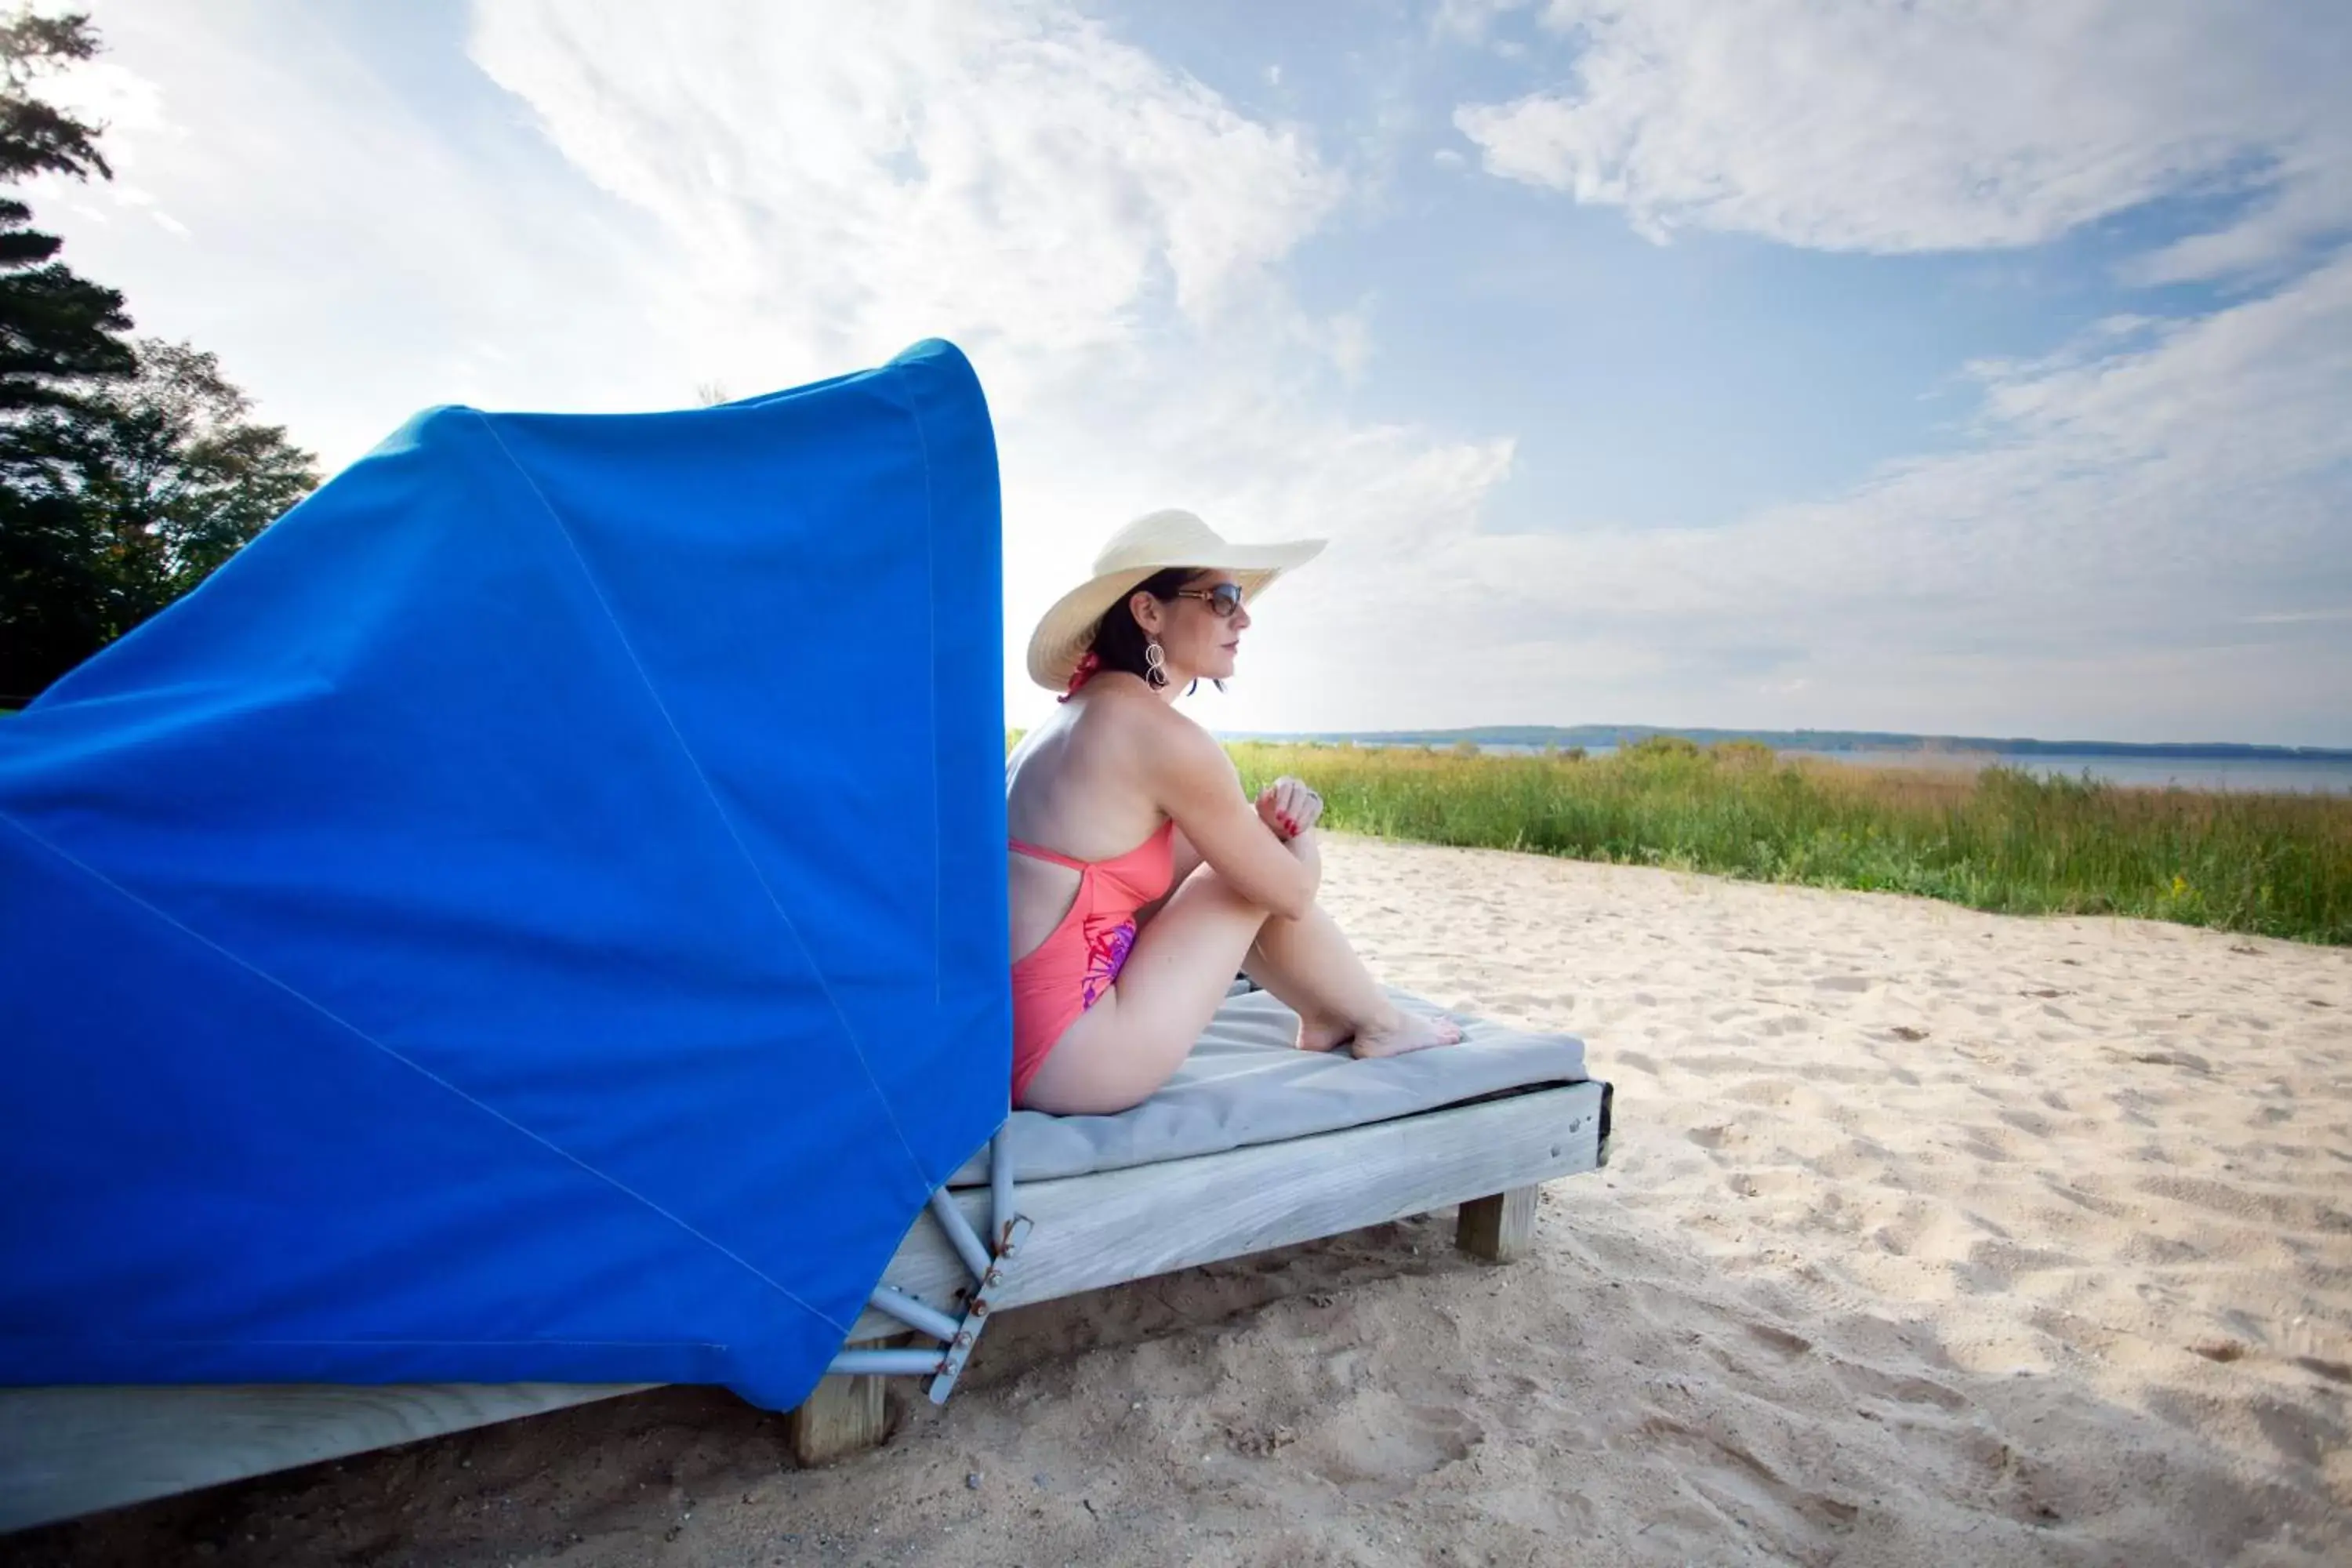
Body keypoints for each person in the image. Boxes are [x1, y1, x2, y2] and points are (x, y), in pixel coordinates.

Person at [1006, 508, 1461, 1115]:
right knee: (1252, 871)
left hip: (1006, 1043)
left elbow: (1148, 874)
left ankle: (1331, 1014)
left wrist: (1257, 830)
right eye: (1223, 598)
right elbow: (1291, 895)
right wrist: (1294, 835)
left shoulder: (1073, 719)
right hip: (1072, 1062)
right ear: (1148, 612)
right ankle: (1378, 1021)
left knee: (1233, 851)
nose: (1243, 617)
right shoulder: (1159, 735)